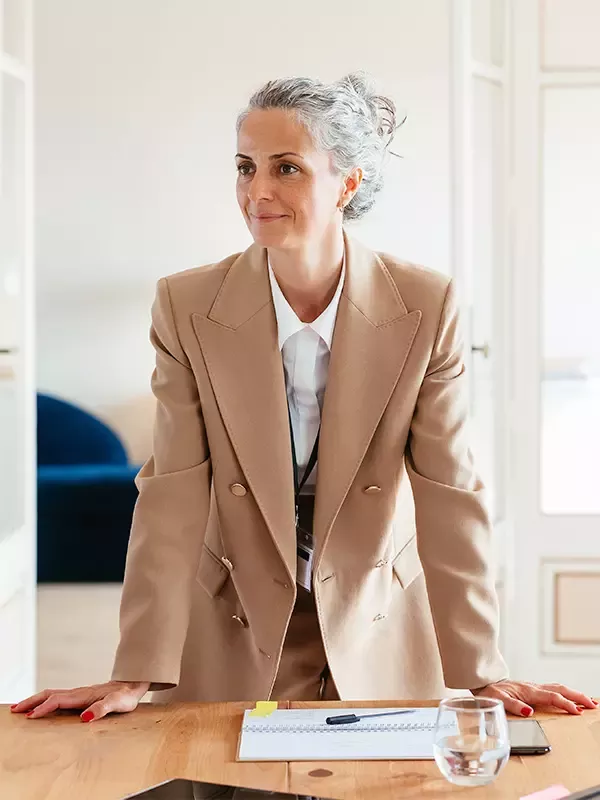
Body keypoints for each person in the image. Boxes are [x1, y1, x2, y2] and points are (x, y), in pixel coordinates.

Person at [14, 73, 597, 722]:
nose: (256, 191)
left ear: (347, 182)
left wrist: (484, 672)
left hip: (377, 616)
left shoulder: (426, 305)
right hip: (235, 615)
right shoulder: (186, 305)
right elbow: (172, 492)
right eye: (245, 167)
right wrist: (138, 668)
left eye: (286, 168)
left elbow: (449, 493)